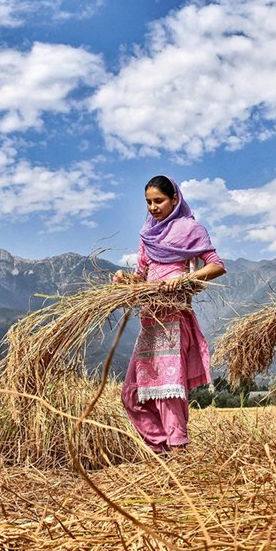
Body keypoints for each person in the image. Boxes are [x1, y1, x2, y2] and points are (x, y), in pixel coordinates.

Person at [113, 176, 226, 455]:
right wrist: (124, 280)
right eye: (148, 202)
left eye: (159, 201)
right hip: (150, 322)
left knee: (168, 391)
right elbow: (141, 278)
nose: (153, 207)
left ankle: (178, 453)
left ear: (175, 199)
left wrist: (186, 279)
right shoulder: (147, 236)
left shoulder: (190, 229)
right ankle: (161, 448)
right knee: (131, 395)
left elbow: (216, 266)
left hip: (174, 319)